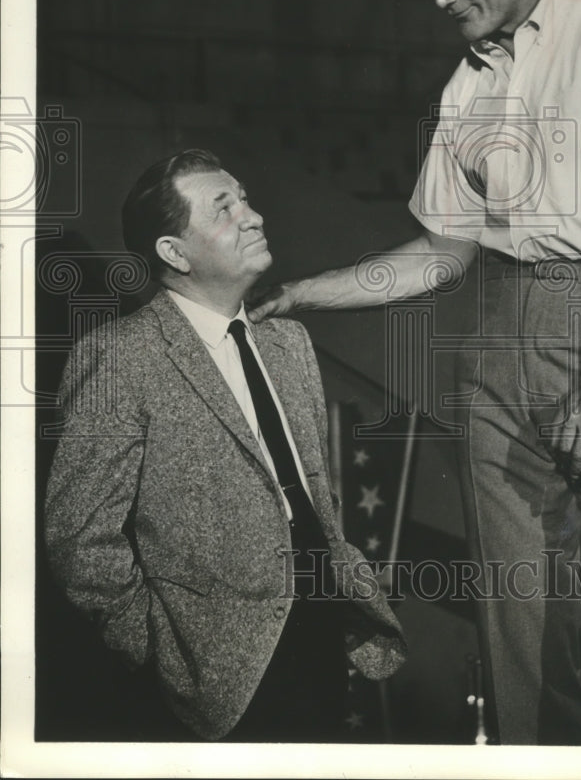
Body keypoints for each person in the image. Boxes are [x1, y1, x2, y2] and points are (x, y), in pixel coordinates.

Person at [249, 0, 581, 746]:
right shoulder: (466, 84)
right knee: (519, 620)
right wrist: (309, 293)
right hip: (495, 334)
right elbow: (439, 253)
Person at [45, 149, 406, 742]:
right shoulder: (120, 355)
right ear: (174, 252)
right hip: (215, 673)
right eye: (224, 209)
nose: (253, 216)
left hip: (322, 635)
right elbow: (80, 539)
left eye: (246, 199)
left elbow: (314, 500)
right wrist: (164, 649)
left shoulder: (290, 344)